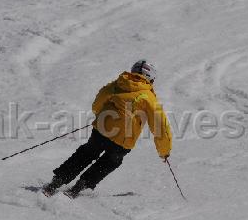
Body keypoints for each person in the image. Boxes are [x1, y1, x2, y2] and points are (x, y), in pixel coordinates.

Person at [43, 60, 172, 198]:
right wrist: (164, 151)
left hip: (102, 129)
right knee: (110, 161)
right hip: (123, 140)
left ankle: (57, 181)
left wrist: (100, 116)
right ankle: (82, 185)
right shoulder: (149, 98)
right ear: (150, 78)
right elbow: (161, 126)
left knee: (86, 153)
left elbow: (99, 99)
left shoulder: (118, 84)